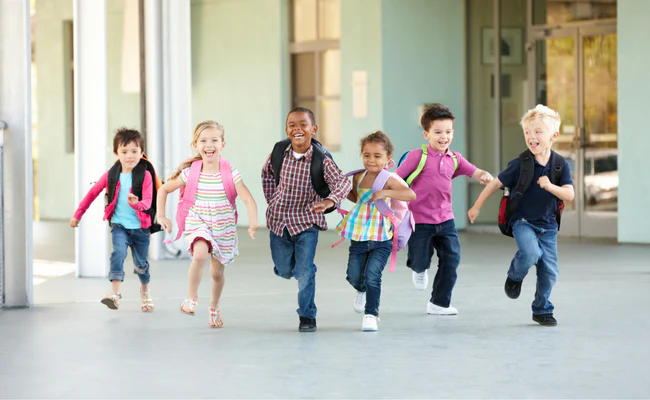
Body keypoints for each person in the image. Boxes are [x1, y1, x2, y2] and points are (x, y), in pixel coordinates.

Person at [468, 104, 574, 326]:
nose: (531, 136)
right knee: (530, 252)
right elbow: (496, 182)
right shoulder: (520, 164)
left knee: (550, 272)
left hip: (548, 226)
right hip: (522, 221)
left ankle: (542, 309)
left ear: (553, 136)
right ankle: (515, 277)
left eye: (537, 132)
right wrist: (477, 206)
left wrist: (550, 187)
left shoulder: (559, 165)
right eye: (527, 132)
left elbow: (569, 195)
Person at [157, 120, 259, 328]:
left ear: (223, 144)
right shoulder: (190, 173)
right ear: (196, 145)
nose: (209, 144)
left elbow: (248, 199)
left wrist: (253, 223)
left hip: (223, 227)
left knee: (216, 273)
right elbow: (164, 189)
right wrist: (161, 215)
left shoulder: (231, 173)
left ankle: (214, 306)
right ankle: (191, 298)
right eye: (203, 140)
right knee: (200, 253)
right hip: (199, 222)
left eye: (214, 140)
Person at [396, 103, 493, 315]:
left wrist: (484, 176)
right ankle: (419, 268)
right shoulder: (416, 156)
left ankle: (439, 303)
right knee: (420, 258)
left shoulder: (455, 158)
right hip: (419, 220)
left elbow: (475, 171)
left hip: (445, 219)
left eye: (448, 132)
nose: (444, 137)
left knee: (452, 259)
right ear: (426, 134)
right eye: (438, 132)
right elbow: (396, 180)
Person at [261, 107, 352, 332]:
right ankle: (292, 270)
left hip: (306, 222)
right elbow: (267, 174)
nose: (297, 129)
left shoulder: (321, 158)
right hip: (279, 221)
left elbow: (343, 182)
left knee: (305, 271)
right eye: (292, 125)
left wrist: (330, 201)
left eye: (303, 124)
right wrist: (272, 199)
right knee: (284, 270)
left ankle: (307, 316)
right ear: (286, 129)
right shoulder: (279, 152)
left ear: (314, 129)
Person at [336, 131, 416, 331]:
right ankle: (361, 290)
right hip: (359, 234)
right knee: (353, 275)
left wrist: (387, 192)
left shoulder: (388, 178)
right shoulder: (358, 177)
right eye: (367, 155)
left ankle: (371, 314)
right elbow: (356, 197)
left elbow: (410, 194)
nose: (371, 160)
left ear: (388, 159)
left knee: (373, 274)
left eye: (377, 156)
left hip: (382, 236)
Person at [70, 128, 157, 312]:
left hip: (141, 228)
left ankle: (145, 291)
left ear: (142, 153)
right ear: (116, 153)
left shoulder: (145, 175)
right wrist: (78, 214)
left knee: (141, 264)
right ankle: (115, 294)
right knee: (118, 253)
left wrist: (136, 204)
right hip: (120, 226)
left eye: (134, 151)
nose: (130, 156)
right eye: (124, 152)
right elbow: (92, 193)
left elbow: (148, 202)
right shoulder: (112, 174)